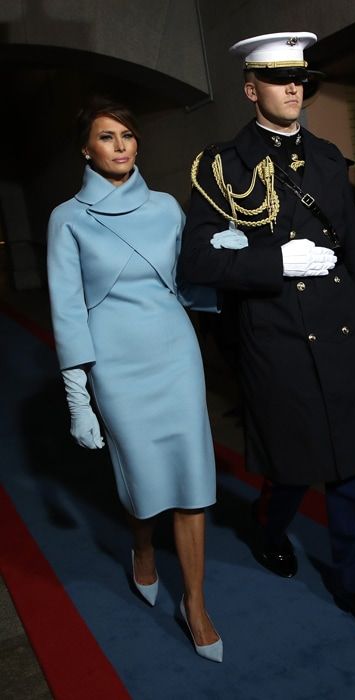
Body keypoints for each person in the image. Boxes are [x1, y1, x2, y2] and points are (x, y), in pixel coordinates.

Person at [179, 32, 355, 635]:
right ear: (252, 90)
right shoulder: (225, 164)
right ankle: (269, 524)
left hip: (341, 327)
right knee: (294, 464)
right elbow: (195, 260)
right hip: (275, 335)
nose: (294, 87)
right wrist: (273, 264)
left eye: (300, 78)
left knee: (352, 467)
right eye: (279, 79)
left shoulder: (328, 158)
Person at [47, 99, 222, 662]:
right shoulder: (67, 218)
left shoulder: (169, 208)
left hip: (175, 354)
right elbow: (68, 313)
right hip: (116, 365)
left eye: (127, 135)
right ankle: (142, 547)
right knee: (143, 478)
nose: (121, 145)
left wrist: (221, 263)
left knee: (192, 478)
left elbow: (186, 291)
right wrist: (79, 401)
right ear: (86, 148)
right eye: (106, 136)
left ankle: (194, 603)